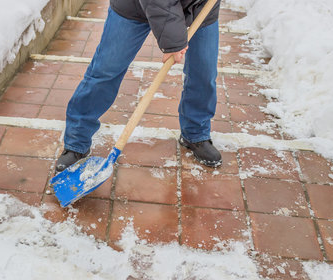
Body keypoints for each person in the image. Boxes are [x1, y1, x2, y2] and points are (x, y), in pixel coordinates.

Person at [56, 0, 222, 171]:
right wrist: (174, 41)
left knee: (204, 72)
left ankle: (196, 133)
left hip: (201, 5)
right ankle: (77, 140)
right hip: (134, 6)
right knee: (106, 70)